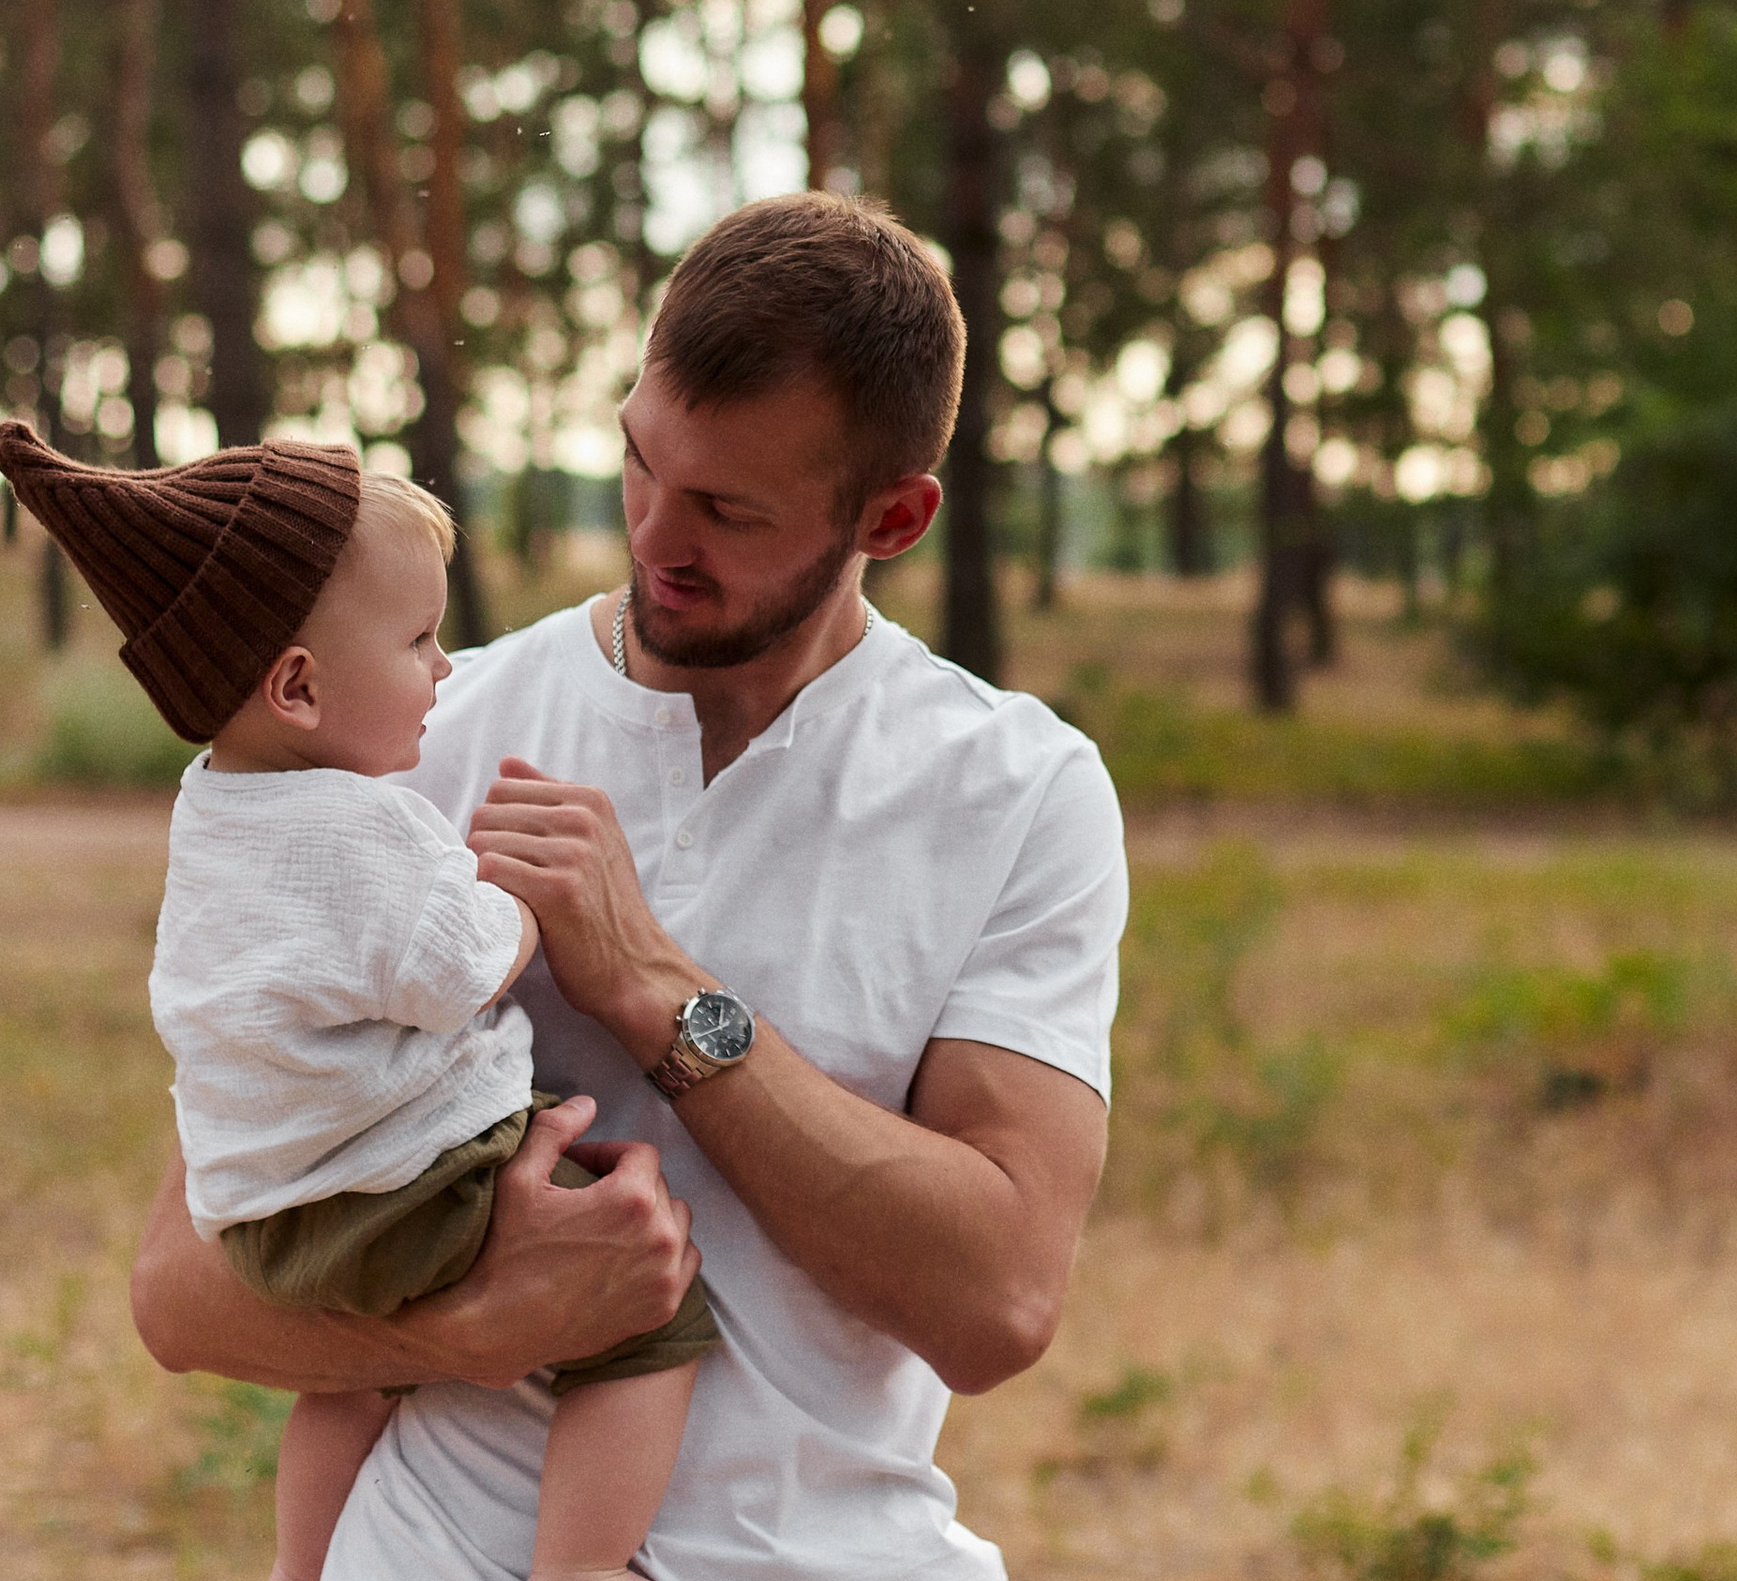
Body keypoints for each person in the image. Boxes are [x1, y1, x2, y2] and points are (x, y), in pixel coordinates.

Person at [129, 191, 1129, 1581]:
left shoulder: (1019, 791)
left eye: (726, 508)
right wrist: (458, 1328)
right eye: (640, 466)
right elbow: (180, 1294)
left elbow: (1000, 1303)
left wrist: (662, 994)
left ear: (892, 517)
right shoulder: (413, 733)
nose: (656, 535)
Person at [0, 424, 721, 1581]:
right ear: (297, 684)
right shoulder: (358, 820)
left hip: (272, 1218)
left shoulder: (213, 807)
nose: (445, 669)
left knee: (353, 1377)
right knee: (654, 1314)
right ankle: (580, 1569)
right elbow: (455, 967)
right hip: (403, 1192)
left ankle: (301, 1567)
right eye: (422, 640)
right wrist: (524, 895)